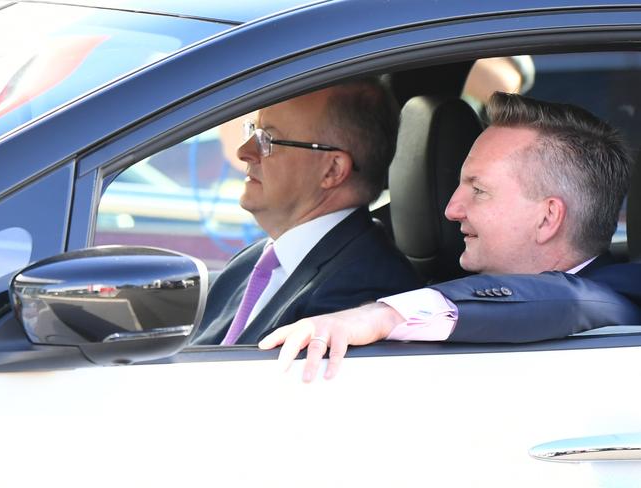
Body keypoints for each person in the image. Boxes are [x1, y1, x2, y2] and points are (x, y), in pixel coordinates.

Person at [259, 92, 641, 382]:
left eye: (479, 190)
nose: (451, 209)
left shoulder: (614, 304)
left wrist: (383, 315)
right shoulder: (451, 289)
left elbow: (568, 299)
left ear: (547, 218)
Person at [193, 78, 420, 345]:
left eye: (269, 139)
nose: (245, 152)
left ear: (332, 170)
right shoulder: (257, 258)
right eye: (252, 131)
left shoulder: (357, 295)